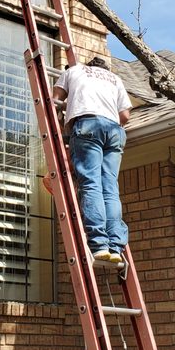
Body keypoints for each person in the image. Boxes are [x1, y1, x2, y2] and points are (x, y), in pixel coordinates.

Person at [53, 56, 131, 265]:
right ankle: (115, 247)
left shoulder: (74, 71)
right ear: (105, 69)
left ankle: (99, 245)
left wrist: (63, 118)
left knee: (91, 184)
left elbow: (55, 100)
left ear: (89, 66)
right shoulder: (115, 79)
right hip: (114, 131)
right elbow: (124, 115)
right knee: (110, 188)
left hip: (87, 124)